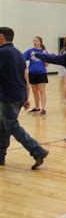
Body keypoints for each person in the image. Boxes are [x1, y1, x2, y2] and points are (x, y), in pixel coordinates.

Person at [0, 27, 49, 169]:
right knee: (3, 125)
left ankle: (37, 150)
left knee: (11, 125)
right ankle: (0, 156)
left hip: (9, 96)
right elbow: (25, 76)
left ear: (2, 37)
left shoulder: (3, 52)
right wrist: (26, 97)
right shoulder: (17, 53)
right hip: (19, 95)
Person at [23, 36, 48, 116]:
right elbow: (21, 58)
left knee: (42, 91)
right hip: (32, 73)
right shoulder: (30, 51)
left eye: (36, 41)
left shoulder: (43, 52)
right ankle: (37, 107)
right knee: (35, 92)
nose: (34, 42)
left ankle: (43, 108)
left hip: (41, 73)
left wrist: (46, 58)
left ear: (40, 42)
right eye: (34, 41)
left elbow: (47, 64)